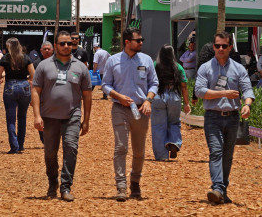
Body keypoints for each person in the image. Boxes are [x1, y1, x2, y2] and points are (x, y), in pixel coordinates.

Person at [31, 30, 92, 202]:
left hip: (72, 115)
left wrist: (86, 120)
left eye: (70, 43)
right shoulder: (43, 66)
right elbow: (35, 90)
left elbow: (87, 95)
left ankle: (66, 186)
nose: (67, 46)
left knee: (71, 149)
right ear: (56, 45)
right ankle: (52, 183)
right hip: (49, 117)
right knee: (50, 153)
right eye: (63, 43)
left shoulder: (80, 67)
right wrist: (37, 115)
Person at [195, 31, 254, 204]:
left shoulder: (239, 68)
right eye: (217, 45)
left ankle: (222, 191)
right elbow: (199, 91)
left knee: (227, 156)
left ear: (230, 47)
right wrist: (224, 93)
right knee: (216, 152)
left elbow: (248, 89)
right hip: (212, 117)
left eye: (224, 46)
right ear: (213, 47)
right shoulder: (205, 68)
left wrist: (247, 104)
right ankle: (217, 188)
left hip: (233, 118)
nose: (220, 49)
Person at [101, 27, 158, 201]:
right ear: (127, 42)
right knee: (121, 147)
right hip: (120, 109)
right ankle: (121, 186)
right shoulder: (113, 61)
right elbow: (105, 85)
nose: (141, 43)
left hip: (141, 110)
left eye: (141, 40)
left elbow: (154, 83)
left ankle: (135, 182)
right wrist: (117, 96)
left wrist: (148, 100)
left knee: (139, 151)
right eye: (138, 40)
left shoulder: (147, 60)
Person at [151, 44, 191, 161]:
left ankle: (161, 156)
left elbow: (149, 81)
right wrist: (187, 104)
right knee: (174, 122)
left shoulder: (155, 65)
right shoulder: (178, 67)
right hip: (174, 96)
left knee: (158, 126)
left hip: (158, 95)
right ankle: (173, 142)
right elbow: (184, 86)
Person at [0, 37, 35, 154]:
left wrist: (3, 76)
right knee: (22, 117)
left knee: (11, 119)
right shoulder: (26, 58)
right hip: (24, 86)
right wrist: (27, 80)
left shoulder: (5, 58)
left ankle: (14, 146)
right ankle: (21, 144)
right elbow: (33, 75)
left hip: (10, 87)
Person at [33, 41, 54, 144]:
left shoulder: (57, 62)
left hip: (54, 95)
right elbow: (31, 80)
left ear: (52, 50)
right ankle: (44, 138)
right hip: (40, 96)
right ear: (41, 51)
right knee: (41, 116)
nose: (46, 50)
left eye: (48, 49)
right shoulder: (36, 63)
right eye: (44, 49)